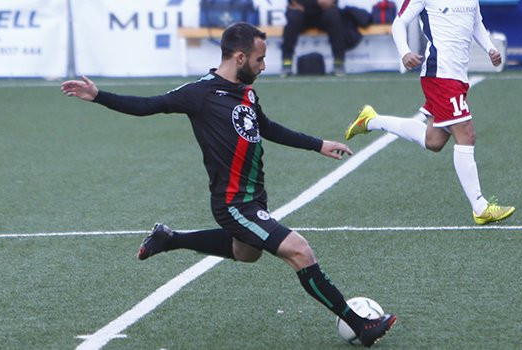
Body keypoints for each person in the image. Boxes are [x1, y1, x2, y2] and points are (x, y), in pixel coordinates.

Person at [61, 22, 395, 346]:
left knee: (245, 253)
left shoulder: (246, 93)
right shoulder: (200, 94)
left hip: (254, 198)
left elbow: (266, 127)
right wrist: (99, 95)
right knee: (300, 251)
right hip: (233, 204)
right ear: (239, 58)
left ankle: (170, 239)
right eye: (259, 59)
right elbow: (150, 105)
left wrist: (317, 144)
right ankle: (360, 324)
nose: (264, 66)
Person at [344, 0, 515, 225]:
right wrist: (404, 52)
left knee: (434, 140)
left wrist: (490, 48)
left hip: (457, 76)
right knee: (466, 134)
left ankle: (371, 120)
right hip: (441, 74)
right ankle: (480, 207)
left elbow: (476, 23)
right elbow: (399, 23)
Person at [281, 0, 347, 76]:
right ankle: (286, 63)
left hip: (322, 11)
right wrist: (317, 3)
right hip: (301, 11)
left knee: (333, 16)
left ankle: (339, 63)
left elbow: (328, 2)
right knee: (294, 17)